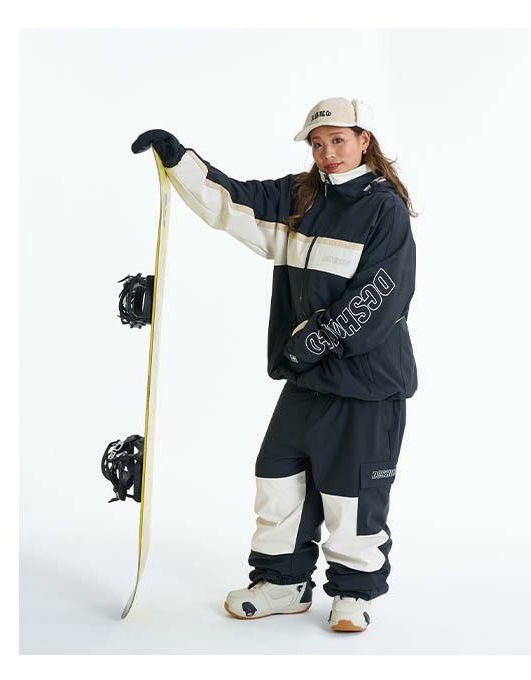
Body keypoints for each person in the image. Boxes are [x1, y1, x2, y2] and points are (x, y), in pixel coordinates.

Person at [131, 96, 418, 633]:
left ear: (364, 141)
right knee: (278, 477)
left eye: (338, 140)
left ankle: (354, 594)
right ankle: (283, 584)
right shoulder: (299, 198)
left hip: (365, 384)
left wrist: (317, 340)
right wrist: (178, 161)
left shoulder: (384, 208)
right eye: (317, 143)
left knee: (351, 493)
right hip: (307, 379)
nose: (327, 152)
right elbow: (231, 202)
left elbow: (382, 291)